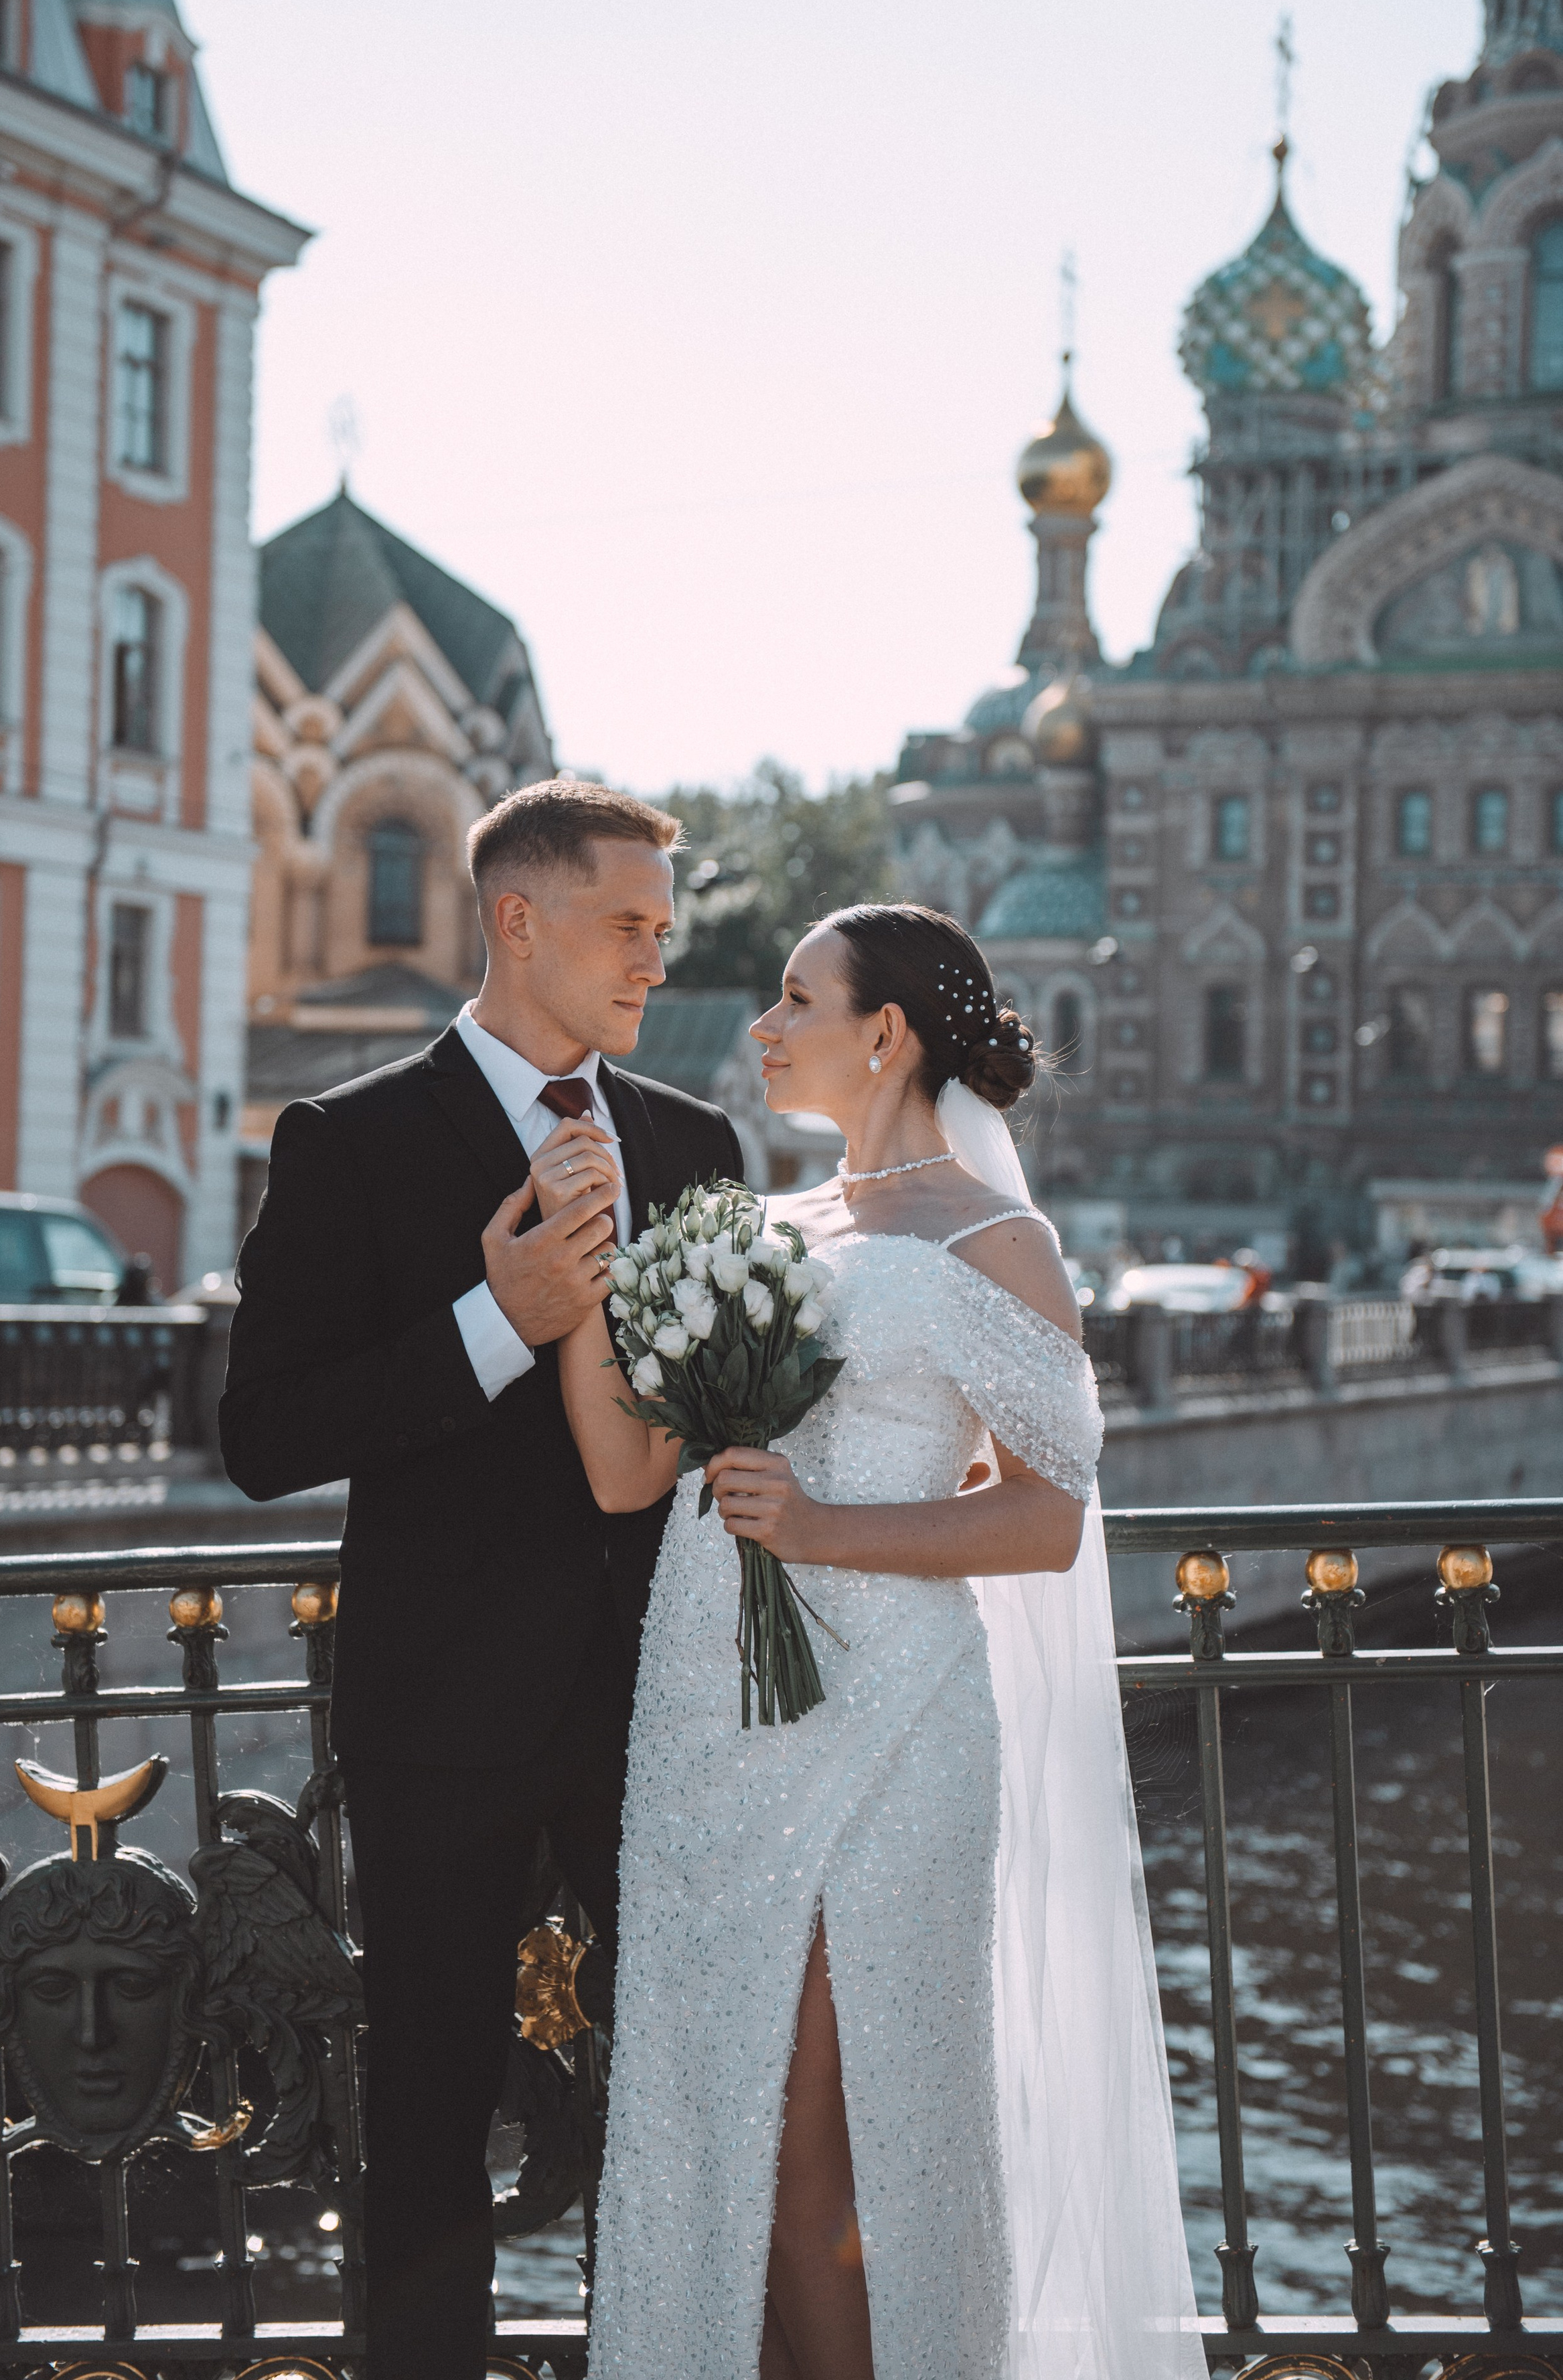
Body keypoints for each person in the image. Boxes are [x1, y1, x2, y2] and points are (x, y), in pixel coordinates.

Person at [554, 902, 1203, 2380]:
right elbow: (625, 1475)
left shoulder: (995, 1238)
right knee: (705, 2122)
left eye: (793, 998)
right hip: (706, 1719)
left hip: (898, 1721)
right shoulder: (760, 1231)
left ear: (884, 1033)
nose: (760, 1028)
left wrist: (821, 1530)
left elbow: (1043, 1520)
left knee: (827, 2155)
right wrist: (586, 1274)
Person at [218, 780, 741, 2380]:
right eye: (629, 924)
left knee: (693, 2083)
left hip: (664, 1702)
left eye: (667, 927)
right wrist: (494, 1320)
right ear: (518, 921)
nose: (658, 956)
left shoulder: (693, 1140)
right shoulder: (351, 1137)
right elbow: (262, 1432)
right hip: (438, 1713)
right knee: (430, 2100)